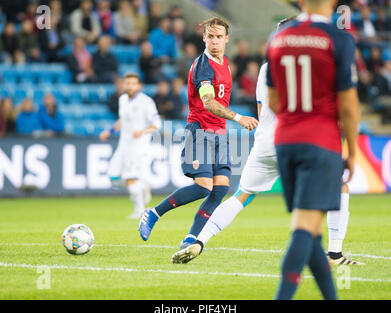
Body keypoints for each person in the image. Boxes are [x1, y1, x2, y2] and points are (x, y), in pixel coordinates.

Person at [171, 19, 364, 268]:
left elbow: (263, 111)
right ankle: (334, 254)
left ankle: (199, 241)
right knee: (339, 187)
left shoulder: (265, 68)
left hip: (266, 141)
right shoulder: (312, 64)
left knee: (242, 195)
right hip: (299, 139)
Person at [267, 0, 359, 300]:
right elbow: (348, 103)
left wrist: (296, 116)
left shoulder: (278, 37)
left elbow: (273, 100)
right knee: (304, 229)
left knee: (313, 230)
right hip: (320, 141)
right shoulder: (338, 38)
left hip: (285, 139)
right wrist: (353, 150)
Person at [138, 16, 258, 248]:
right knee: (204, 186)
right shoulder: (204, 65)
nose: (214, 41)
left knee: (221, 187)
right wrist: (238, 117)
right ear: (204, 38)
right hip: (200, 131)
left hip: (219, 134)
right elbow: (208, 102)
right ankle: (153, 213)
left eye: (219, 37)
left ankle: (190, 238)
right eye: (210, 36)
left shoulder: (225, 64)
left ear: (226, 39)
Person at [100, 73, 161, 219]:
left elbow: (156, 124)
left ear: (139, 86)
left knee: (129, 178)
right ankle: (143, 185)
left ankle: (139, 210)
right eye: (127, 83)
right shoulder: (122, 100)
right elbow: (123, 120)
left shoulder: (146, 102)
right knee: (113, 177)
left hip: (138, 146)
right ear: (123, 85)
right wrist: (109, 131)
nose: (130, 86)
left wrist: (142, 131)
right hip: (124, 145)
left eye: (133, 83)